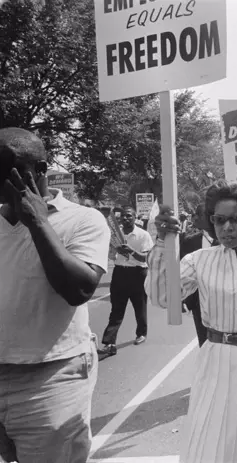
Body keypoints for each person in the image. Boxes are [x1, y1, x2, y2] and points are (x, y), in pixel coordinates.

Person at [146, 181, 237, 463]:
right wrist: (162, 243)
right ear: (211, 221)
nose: (228, 227)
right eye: (220, 219)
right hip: (216, 359)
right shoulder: (198, 260)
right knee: (211, 434)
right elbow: (161, 295)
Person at [0, 127, 110, 463]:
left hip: (51, 379)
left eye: (6, 171)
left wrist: (38, 223)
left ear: (41, 171)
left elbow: (78, 289)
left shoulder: (83, 220)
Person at [98, 205, 154, 355]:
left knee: (139, 307)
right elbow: (111, 256)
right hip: (119, 274)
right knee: (116, 310)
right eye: (123, 216)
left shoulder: (143, 235)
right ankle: (109, 343)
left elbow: (146, 258)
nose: (126, 218)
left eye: (129, 215)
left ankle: (141, 333)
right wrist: (114, 250)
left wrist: (130, 251)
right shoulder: (116, 236)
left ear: (135, 218)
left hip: (138, 274)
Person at [179, 204, 214, 348]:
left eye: (199, 215)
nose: (195, 218)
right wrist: (182, 298)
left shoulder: (230, 241)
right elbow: (182, 274)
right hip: (199, 302)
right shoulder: (189, 242)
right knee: (205, 343)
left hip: (227, 300)